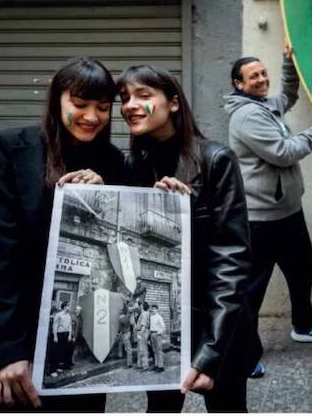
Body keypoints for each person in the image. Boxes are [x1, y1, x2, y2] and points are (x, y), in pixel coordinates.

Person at [0, 57, 125, 412]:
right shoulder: (10, 148)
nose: (92, 117)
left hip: (82, 348)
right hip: (14, 335)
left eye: (102, 108)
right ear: (58, 100)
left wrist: (105, 193)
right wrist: (7, 350)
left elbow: (121, 236)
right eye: (80, 104)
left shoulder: (113, 161)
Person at [118, 65, 261, 412]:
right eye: (124, 98)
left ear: (174, 103)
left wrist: (211, 352)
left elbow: (231, 262)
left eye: (143, 95)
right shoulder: (132, 165)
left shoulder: (216, 160)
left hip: (219, 330)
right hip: (165, 331)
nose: (130, 105)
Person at [224, 43, 312, 379]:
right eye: (253, 76)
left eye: (263, 73)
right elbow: (282, 152)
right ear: (239, 84)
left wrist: (289, 60)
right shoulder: (246, 116)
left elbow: (287, 94)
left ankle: (304, 324)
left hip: (288, 211)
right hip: (260, 218)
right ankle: (242, 353)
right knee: (252, 288)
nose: (261, 79)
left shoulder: (265, 105)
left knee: (303, 270)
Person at [52, 302, 73, 374]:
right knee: (58, 351)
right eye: (68, 306)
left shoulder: (69, 315)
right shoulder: (58, 315)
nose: (69, 307)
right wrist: (55, 336)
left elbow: (70, 325)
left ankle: (64, 366)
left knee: (66, 350)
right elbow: (55, 325)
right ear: (64, 307)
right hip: (59, 334)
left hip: (66, 334)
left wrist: (70, 335)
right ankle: (56, 367)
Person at [148, 304, 167, 372]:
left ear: (157, 310)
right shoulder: (151, 317)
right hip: (152, 334)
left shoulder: (159, 317)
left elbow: (163, 326)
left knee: (159, 350)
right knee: (154, 350)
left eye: (155, 309)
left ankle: (161, 366)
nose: (153, 310)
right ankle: (156, 365)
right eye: (152, 309)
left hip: (157, 334)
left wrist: (159, 333)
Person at [136, 301, 152, 372]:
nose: (140, 306)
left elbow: (144, 325)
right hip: (142, 332)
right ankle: (141, 365)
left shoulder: (144, 314)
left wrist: (140, 334)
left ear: (144, 306)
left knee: (143, 349)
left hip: (142, 332)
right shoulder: (144, 313)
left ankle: (145, 366)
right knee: (140, 349)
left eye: (141, 305)